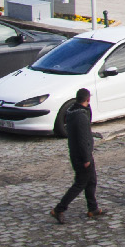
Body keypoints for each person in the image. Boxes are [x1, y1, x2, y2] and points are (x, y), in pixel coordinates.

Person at [51, 88, 101, 222]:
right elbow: (83, 139)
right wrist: (86, 158)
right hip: (82, 156)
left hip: (76, 153)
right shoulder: (81, 117)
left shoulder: (72, 112)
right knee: (80, 183)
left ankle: (93, 208)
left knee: (91, 181)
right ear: (88, 99)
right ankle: (59, 209)